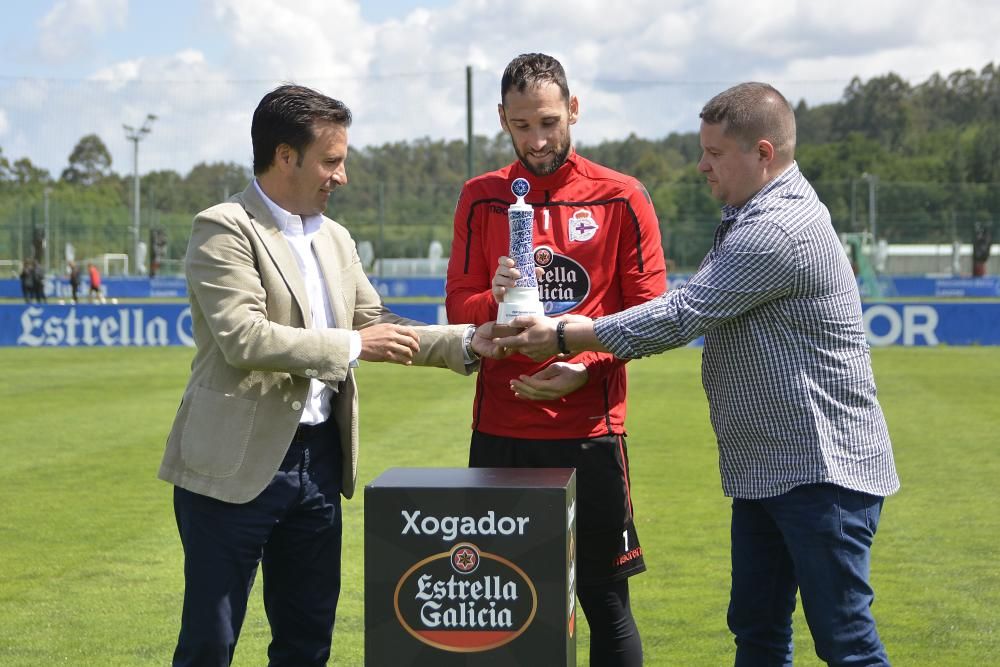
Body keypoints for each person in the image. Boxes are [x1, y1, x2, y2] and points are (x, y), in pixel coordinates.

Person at [498, 82, 900, 666]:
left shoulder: (777, 229)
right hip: (773, 468)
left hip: (821, 470)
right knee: (759, 631)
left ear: (762, 153)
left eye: (713, 154)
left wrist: (565, 334)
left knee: (846, 642)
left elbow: (682, 312)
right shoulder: (751, 214)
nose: (700, 165)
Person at [159, 84, 503, 667]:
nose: (341, 176)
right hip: (231, 468)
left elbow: (376, 322)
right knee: (209, 645)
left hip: (318, 463)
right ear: (285, 157)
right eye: (331, 160)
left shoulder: (336, 237)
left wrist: (469, 340)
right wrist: (351, 345)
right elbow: (244, 338)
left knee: (307, 641)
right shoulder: (223, 227)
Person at [445, 53, 666, 666]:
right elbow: (459, 308)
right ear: (502, 121)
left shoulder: (621, 198)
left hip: (589, 434)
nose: (537, 140)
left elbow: (650, 317)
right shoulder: (482, 198)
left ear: (573, 109)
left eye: (547, 121)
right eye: (521, 126)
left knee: (605, 602)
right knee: (503, 598)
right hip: (500, 431)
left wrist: (584, 363)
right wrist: (492, 295)